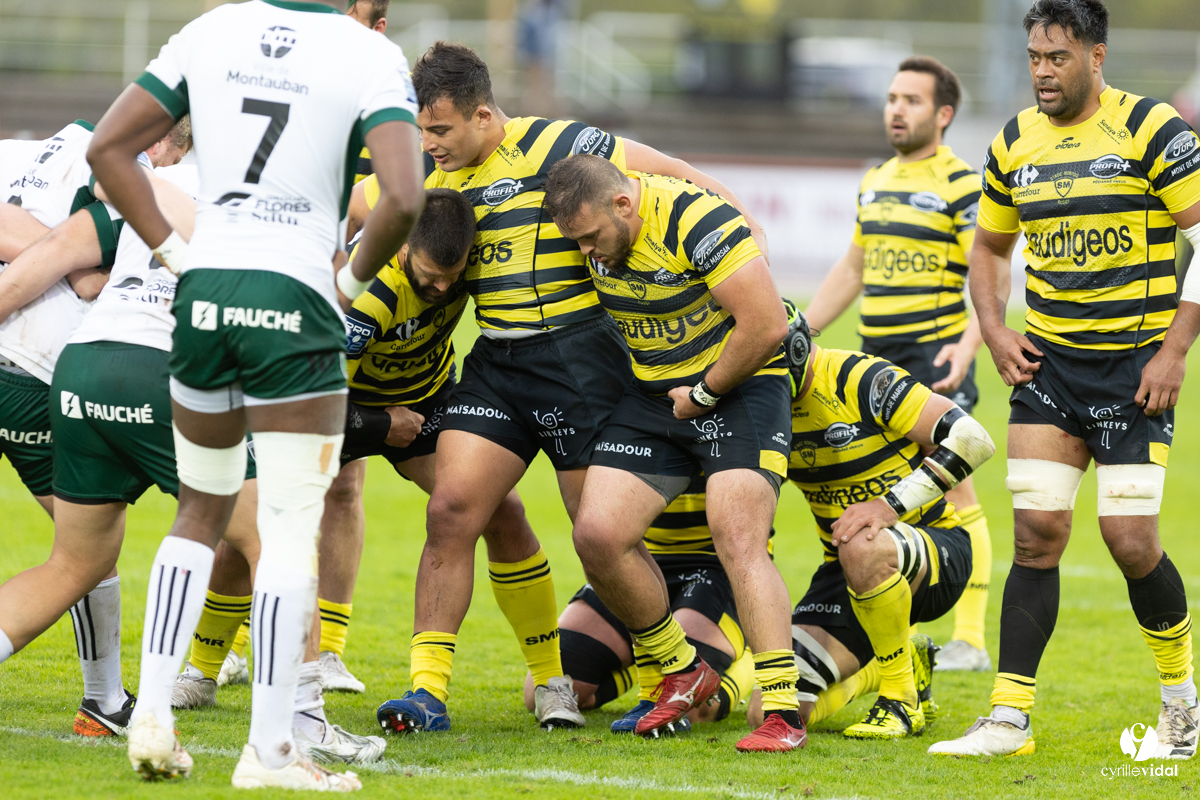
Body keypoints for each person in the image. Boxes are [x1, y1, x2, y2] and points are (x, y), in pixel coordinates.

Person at [373, 41, 773, 734]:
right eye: (420, 129)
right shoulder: (430, 181)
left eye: (439, 129)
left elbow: (672, 173)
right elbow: (365, 215)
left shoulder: (558, 143)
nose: (428, 143)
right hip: (497, 363)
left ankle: (668, 673)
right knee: (451, 510)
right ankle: (427, 691)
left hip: (583, 363)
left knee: (600, 531)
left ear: (482, 114)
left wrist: (743, 228)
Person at [86, 0, 424, 789]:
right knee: (286, 526)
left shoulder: (212, 27)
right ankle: (271, 750)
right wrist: (344, 281)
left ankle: (152, 714)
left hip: (204, 295)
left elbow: (109, 149)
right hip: (294, 301)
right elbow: (404, 197)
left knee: (197, 513)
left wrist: (174, 253)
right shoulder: (367, 52)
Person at [930, 0, 1200, 759]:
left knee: (1130, 541)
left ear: (1096, 55)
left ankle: (1181, 697)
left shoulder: (1152, 130)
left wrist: (1175, 350)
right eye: (1035, 59)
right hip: (1049, 369)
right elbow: (988, 249)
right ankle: (1008, 719)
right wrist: (993, 327)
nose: (1044, 72)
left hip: (1136, 371)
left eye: (1058, 57)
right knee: (1037, 535)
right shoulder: (1014, 141)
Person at [542, 154, 798, 752]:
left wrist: (707, 391)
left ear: (623, 204)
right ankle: (679, 669)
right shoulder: (600, 229)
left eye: (592, 238)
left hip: (739, 384)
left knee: (738, 539)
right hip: (656, 390)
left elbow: (764, 325)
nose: (589, 255)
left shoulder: (695, 219)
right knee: (597, 535)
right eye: (576, 244)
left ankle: (782, 712)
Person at [0, 120, 190, 738]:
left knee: (83, 548)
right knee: (86, 550)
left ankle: (106, 702)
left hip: (26, 368)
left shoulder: (33, 149)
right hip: (31, 373)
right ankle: (106, 699)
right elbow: (70, 265)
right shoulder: (128, 178)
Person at [804, 56, 993, 672]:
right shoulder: (876, 179)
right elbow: (854, 268)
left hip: (932, 358)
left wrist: (968, 348)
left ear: (943, 114)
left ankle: (969, 639)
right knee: (894, 493)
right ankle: (888, 623)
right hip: (875, 365)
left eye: (911, 99)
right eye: (891, 97)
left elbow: (989, 275)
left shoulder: (962, 183)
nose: (895, 108)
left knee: (954, 488)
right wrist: (801, 331)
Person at [759, 303, 991, 739]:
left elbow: (972, 439)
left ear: (792, 352)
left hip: (934, 548)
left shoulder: (858, 377)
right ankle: (896, 664)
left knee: (863, 542)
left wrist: (888, 506)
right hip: (844, 570)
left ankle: (900, 701)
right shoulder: (759, 409)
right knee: (771, 708)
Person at [530, 475, 757, 734]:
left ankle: (749, 656)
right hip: (634, 557)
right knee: (548, 692)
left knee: (690, 705)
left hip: (715, 564)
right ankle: (644, 659)